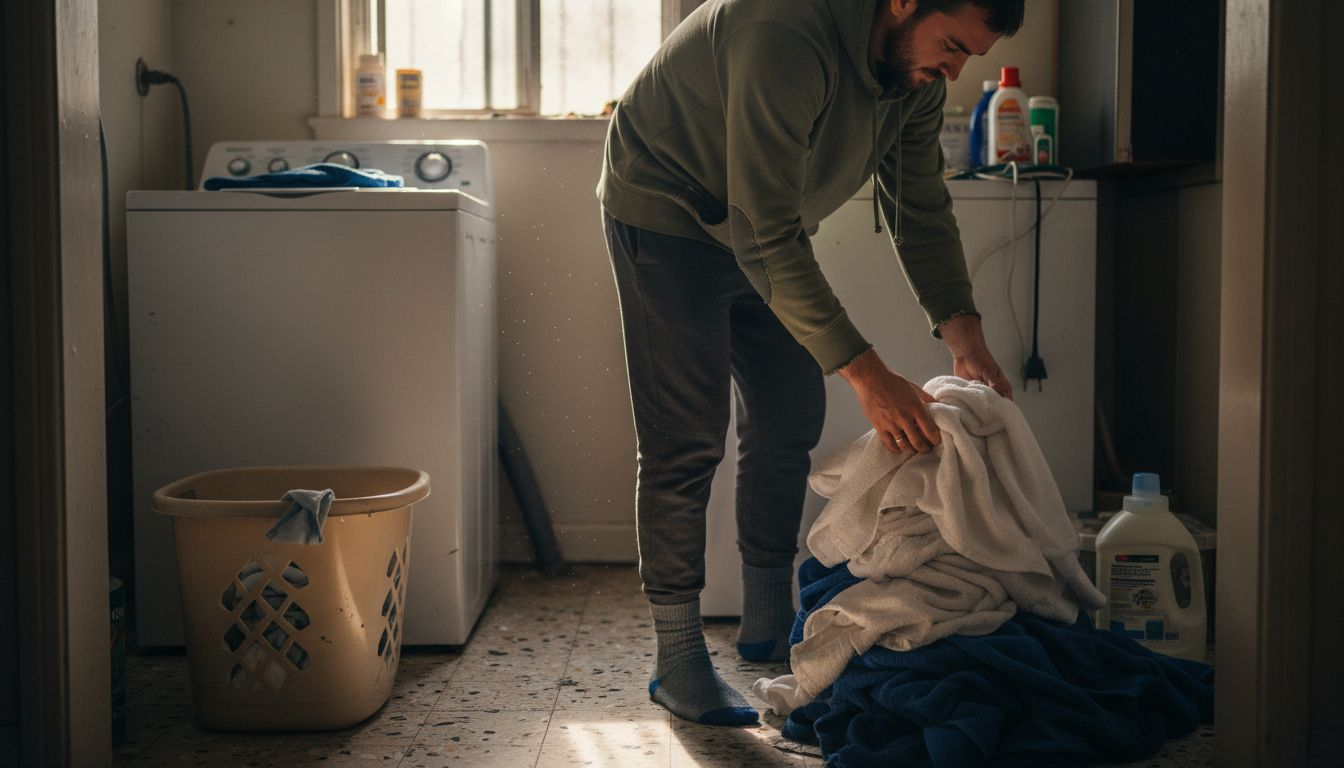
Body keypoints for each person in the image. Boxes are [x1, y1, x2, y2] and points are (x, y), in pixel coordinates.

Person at [597, 0, 1024, 726]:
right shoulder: (783, 31)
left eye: (968, 59)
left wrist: (966, 336)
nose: (953, 71)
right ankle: (676, 659)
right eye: (951, 45)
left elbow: (918, 205)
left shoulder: (913, 76)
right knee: (685, 438)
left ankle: (767, 618)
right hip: (665, 215)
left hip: (766, 229)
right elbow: (763, 232)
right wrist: (867, 372)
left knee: (788, 411)